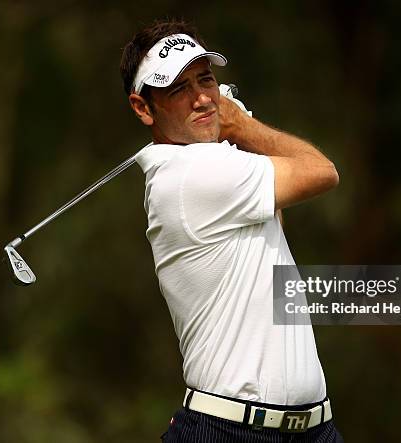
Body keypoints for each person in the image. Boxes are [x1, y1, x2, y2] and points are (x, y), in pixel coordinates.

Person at [120, 19, 342, 442]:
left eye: (205, 79)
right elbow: (323, 171)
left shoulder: (215, 167)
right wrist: (240, 126)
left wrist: (235, 135)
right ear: (143, 107)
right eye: (177, 89)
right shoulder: (190, 173)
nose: (202, 98)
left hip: (313, 430)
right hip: (231, 431)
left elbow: (274, 219)